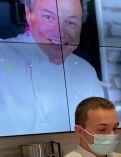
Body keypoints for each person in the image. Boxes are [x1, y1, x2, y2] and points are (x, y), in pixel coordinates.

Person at [0, 0, 103, 136]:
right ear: (28, 13)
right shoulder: (4, 53)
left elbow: (98, 133)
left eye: (71, 22)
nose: (60, 32)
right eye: (48, 17)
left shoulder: (85, 71)